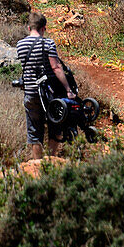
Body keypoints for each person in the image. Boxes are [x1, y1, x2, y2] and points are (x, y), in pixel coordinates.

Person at [16, 12, 76, 160]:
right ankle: (51, 160)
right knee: (55, 127)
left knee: (34, 132)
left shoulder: (20, 45)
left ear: (29, 27)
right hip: (50, 93)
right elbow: (56, 67)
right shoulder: (48, 43)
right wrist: (68, 89)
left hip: (30, 93)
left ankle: (37, 165)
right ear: (44, 28)